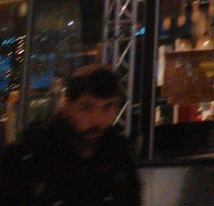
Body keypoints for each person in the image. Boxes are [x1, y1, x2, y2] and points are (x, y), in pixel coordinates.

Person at [0, 63, 141, 206]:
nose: (97, 119)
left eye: (108, 106)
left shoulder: (118, 158)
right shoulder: (29, 157)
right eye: (86, 107)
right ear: (66, 105)